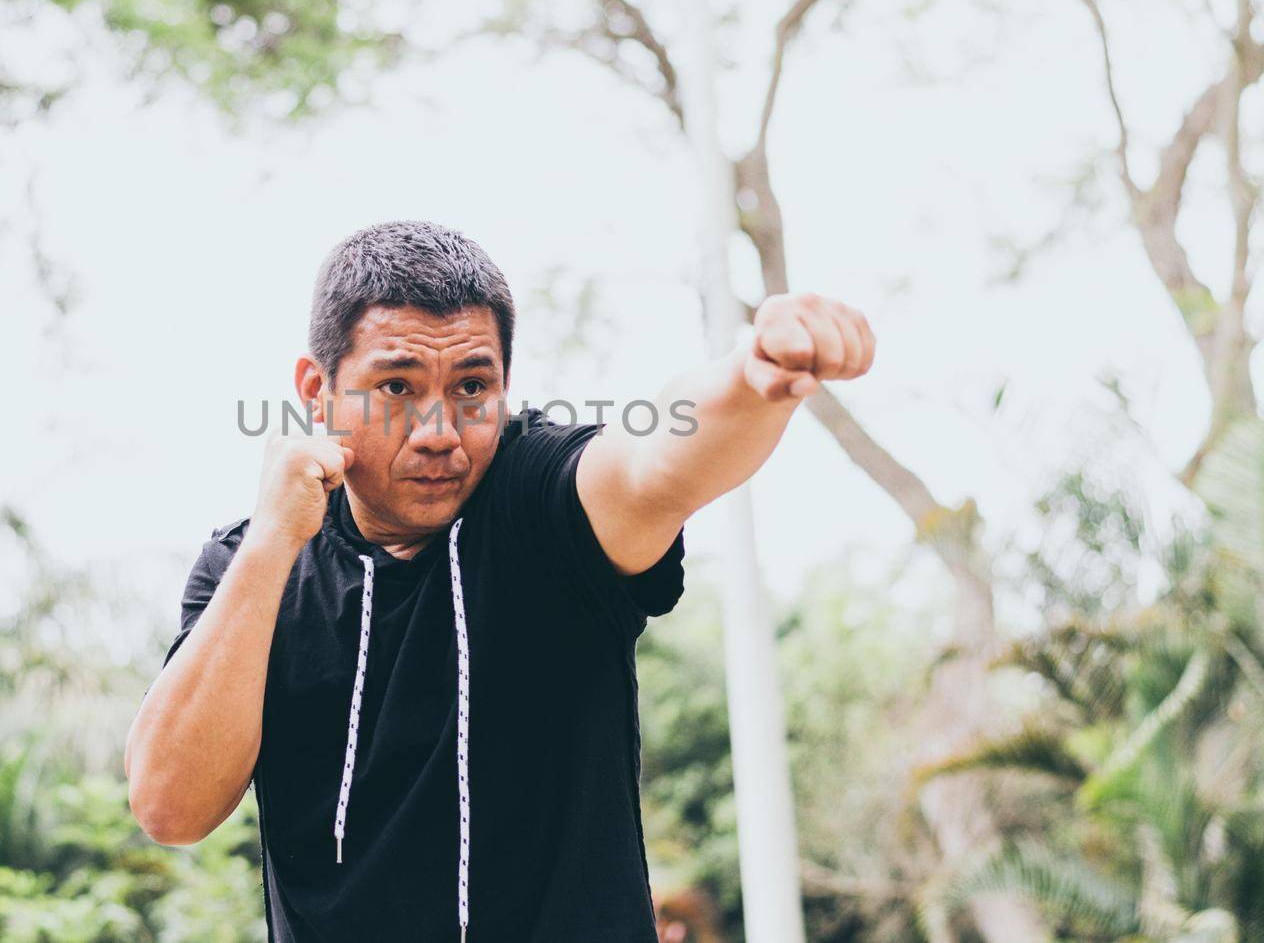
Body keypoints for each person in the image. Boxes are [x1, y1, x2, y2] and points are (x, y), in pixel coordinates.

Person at [123, 220, 874, 942]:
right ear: (316, 391)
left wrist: (753, 378)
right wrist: (273, 543)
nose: (440, 432)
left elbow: (651, 465)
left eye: (473, 387)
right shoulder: (247, 566)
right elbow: (170, 807)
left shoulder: (536, 501)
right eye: (395, 388)